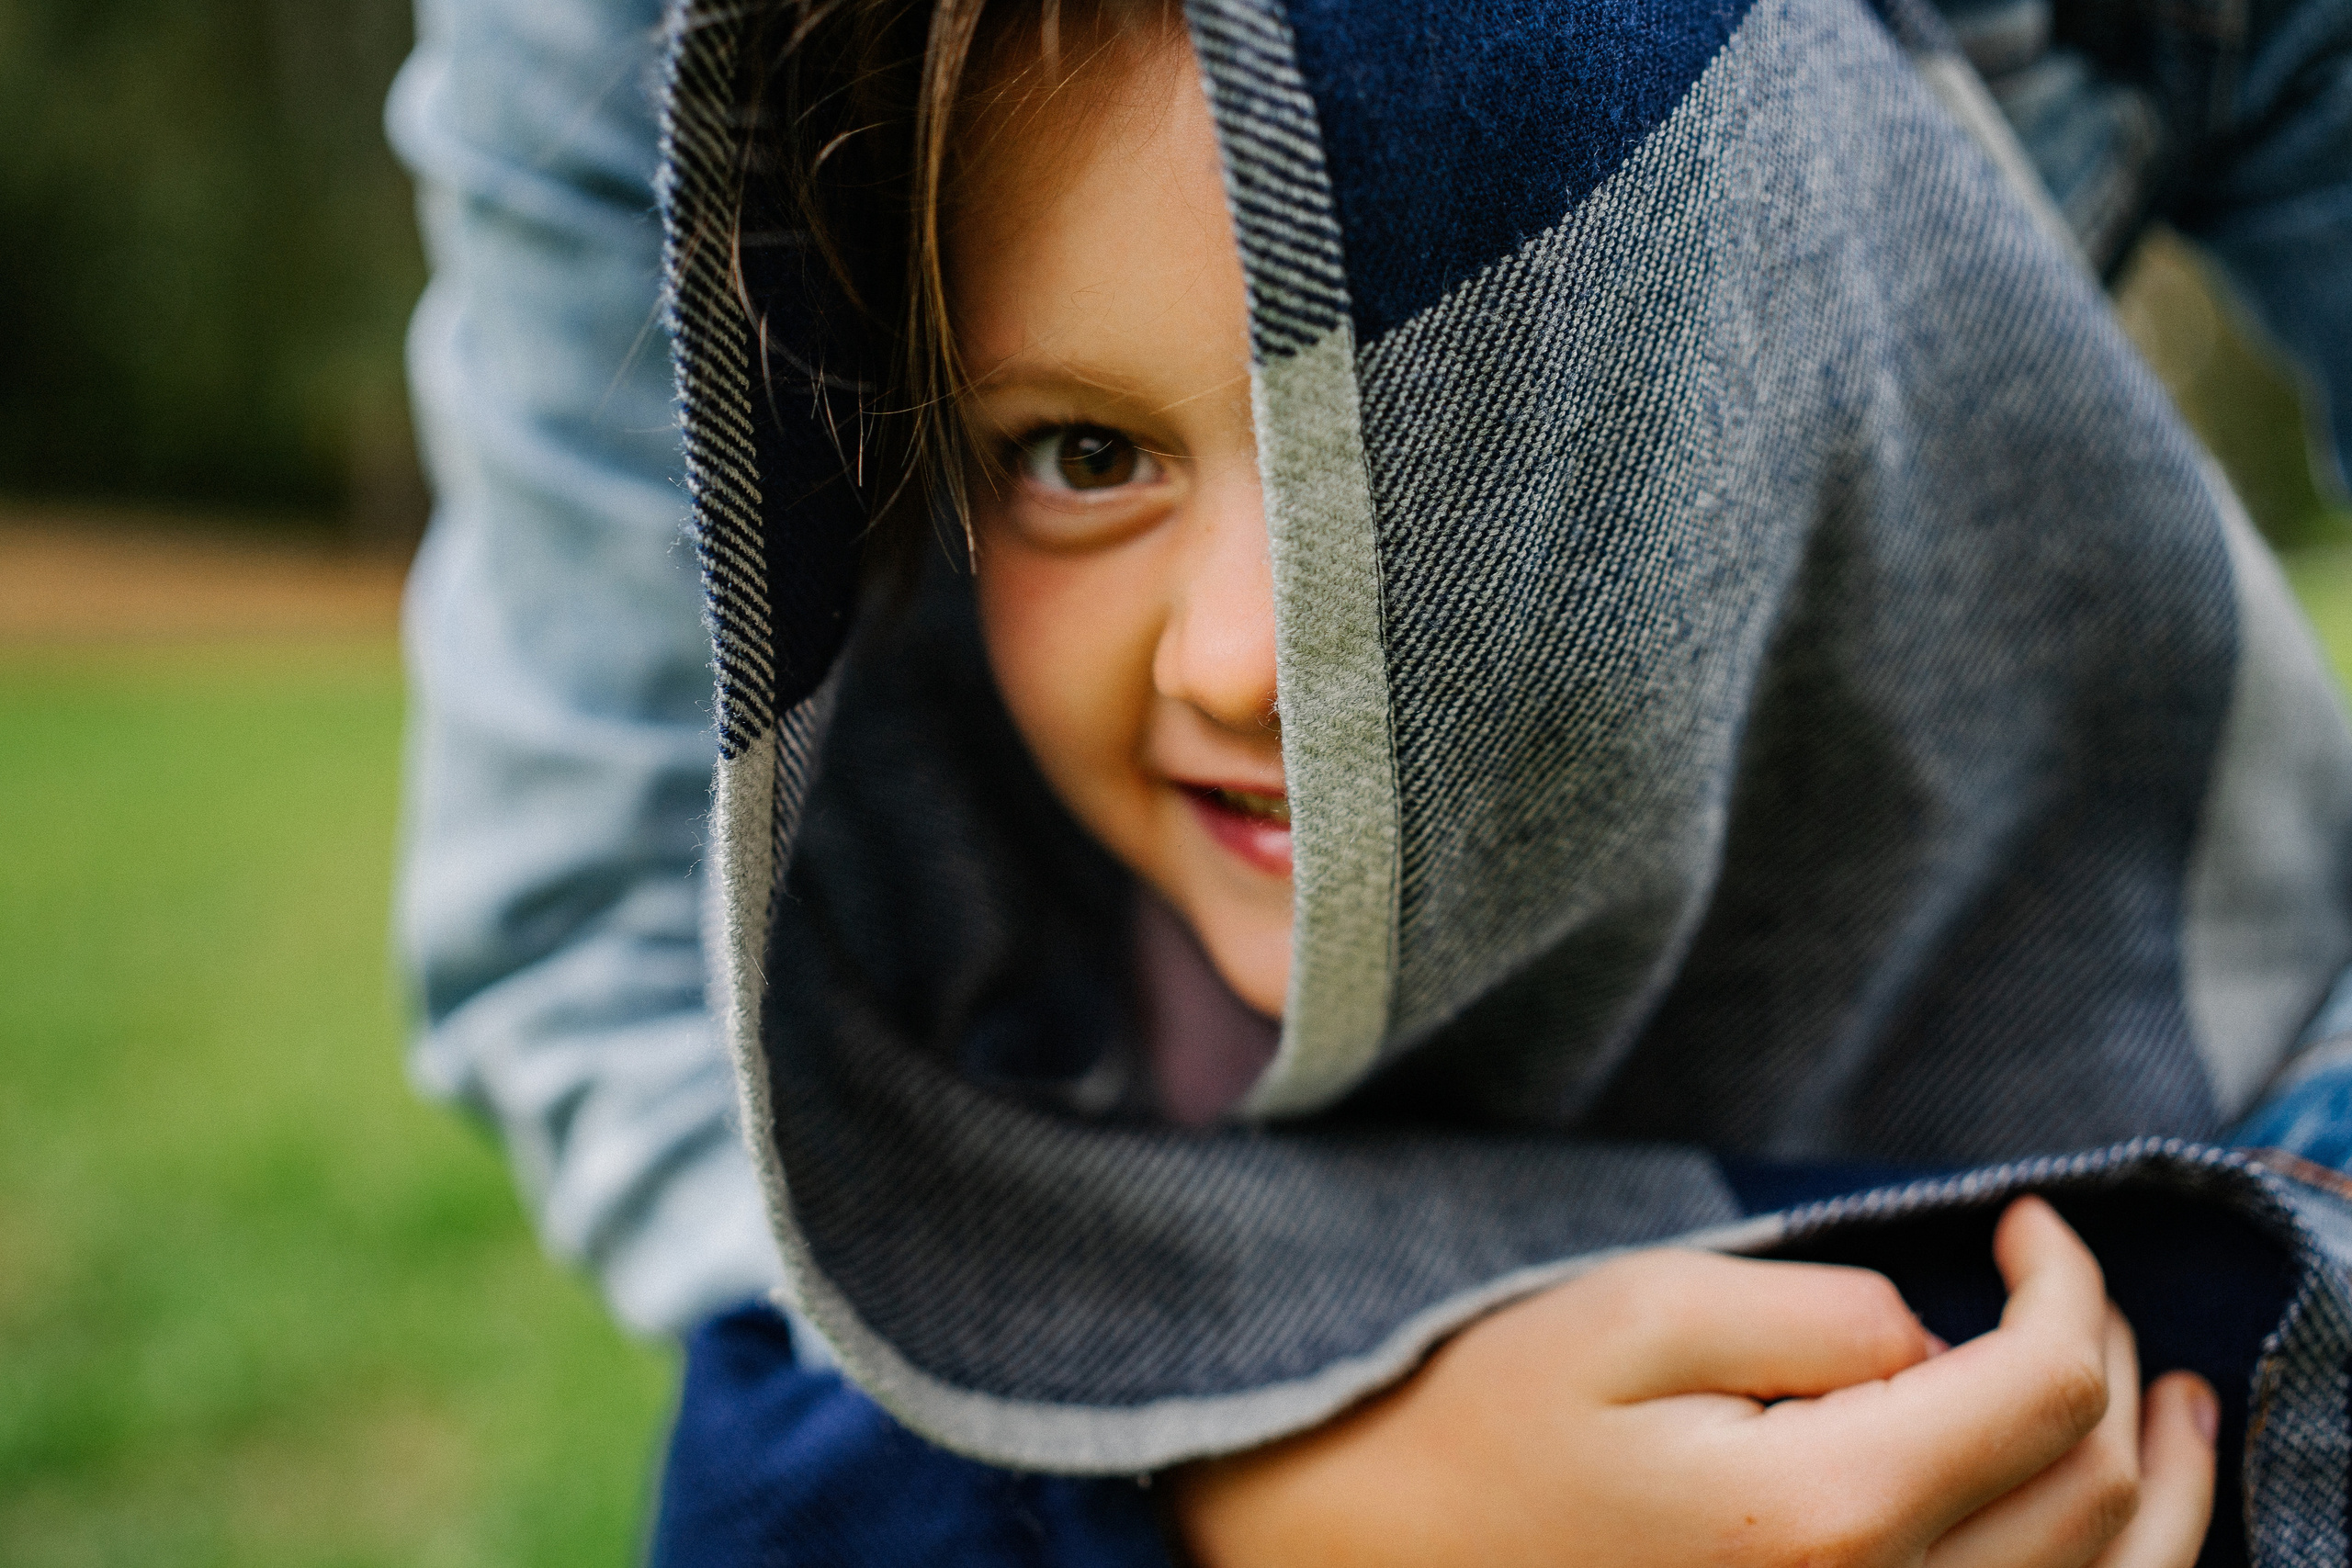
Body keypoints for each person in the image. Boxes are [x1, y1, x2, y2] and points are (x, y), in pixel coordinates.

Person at [392, 0, 2352, 1562]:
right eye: (1080, 454)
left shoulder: (2119, 1183)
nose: (1241, 660)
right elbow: (601, 947)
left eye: (1434, 443)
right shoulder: (996, 1070)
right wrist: (1245, 1488)